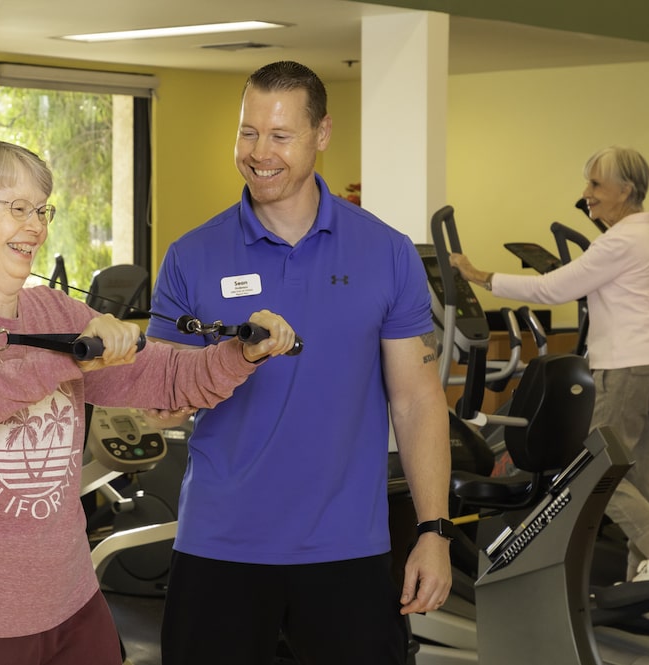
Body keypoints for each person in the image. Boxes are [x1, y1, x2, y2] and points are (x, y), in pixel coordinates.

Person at [0, 139, 299, 665]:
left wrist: (241, 352)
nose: (34, 225)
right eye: (15, 207)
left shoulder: (54, 309)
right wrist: (71, 359)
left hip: (69, 601)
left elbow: (167, 378)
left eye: (40, 209)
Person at [145, 61, 453, 665]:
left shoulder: (386, 252)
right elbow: (158, 405)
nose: (260, 153)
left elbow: (417, 401)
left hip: (346, 547)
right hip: (220, 544)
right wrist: (233, 357)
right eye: (248, 132)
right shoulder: (191, 255)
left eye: (280, 135)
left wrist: (433, 531)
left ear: (322, 133)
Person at [450, 145, 649, 585]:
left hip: (630, 371)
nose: (587, 194)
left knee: (593, 467)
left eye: (595, 185)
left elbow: (552, 290)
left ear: (625, 189)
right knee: (644, 481)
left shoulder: (620, 240)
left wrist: (479, 275)